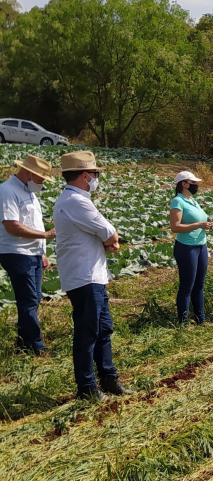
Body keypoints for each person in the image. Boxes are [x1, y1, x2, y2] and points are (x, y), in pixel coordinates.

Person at [53, 151, 127, 400]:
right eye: (95, 174)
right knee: (88, 333)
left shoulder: (75, 199)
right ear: (85, 176)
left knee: (103, 329)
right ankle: (87, 388)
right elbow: (109, 233)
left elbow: (106, 235)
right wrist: (110, 240)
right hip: (85, 277)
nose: (97, 178)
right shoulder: (77, 202)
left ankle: (108, 378)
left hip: (93, 276)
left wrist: (108, 239)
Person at [0, 154, 55, 355]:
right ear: (30, 173)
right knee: (29, 299)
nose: (42, 183)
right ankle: (35, 345)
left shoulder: (29, 192)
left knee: (33, 298)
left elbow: (31, 222)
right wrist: (46, 235)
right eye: (41, 178)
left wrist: (42, 252)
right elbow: (12, 226)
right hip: (16, 253)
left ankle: (23, 342)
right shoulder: (7, 190)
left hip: (32, 253)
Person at [168, 171, 213, 325]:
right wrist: (199, 225)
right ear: (184, 184)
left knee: (199, 284)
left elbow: (200, 219)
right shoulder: (177, 201)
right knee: (187, 285)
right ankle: (183, 322)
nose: (196, 185)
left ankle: (201, 319)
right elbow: (175, 227)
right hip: (186, 248)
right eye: (193, 182)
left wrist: (206, 224)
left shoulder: (192, 200)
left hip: (201, 246)